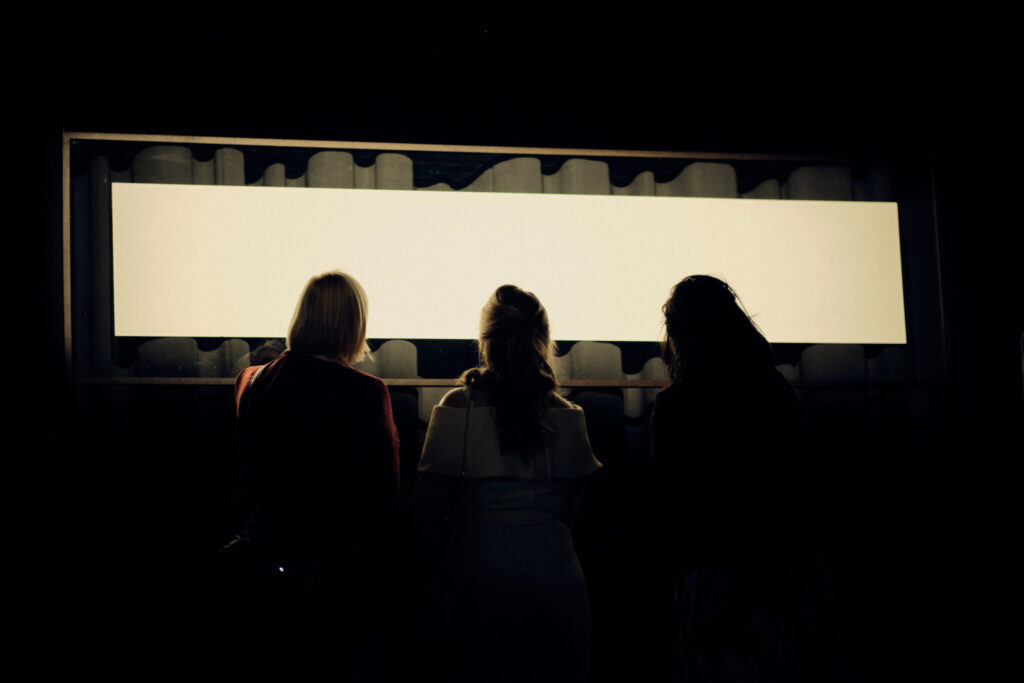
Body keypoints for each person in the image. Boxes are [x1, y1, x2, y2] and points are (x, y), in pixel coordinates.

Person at [649, 274, 835, 682]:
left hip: (713, 582)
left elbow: (668, 507)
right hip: (784, 578)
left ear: (679, 335)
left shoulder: (675, 406)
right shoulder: (776, 393)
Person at [411, 284, 601, 683]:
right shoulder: (570, 417)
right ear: (544, 341)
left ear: (485, 341)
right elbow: (578, 517)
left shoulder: (456, 409)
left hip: (475, 587)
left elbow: (426, 518)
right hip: (557, 588)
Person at [221, 270, 401, 666]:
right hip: (332, 568)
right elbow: (384, 495)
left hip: (259, 554)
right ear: (353, 325)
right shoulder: (366, 392)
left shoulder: (250, 381)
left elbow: (246, 475)